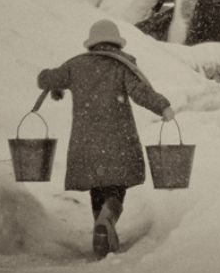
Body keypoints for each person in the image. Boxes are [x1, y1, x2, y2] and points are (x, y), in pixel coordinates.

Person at [37, 19, 175, 258]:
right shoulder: (122, 65)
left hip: (85, 144)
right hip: (117, 141)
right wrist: (162, 106)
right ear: (116, 43)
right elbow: (141, 92)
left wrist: (50, 80)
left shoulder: (76, 65)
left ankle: (101, 230)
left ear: (92, 43)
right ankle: (108, 218)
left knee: (97, 186)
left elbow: (46, 79)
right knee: (115, 187)